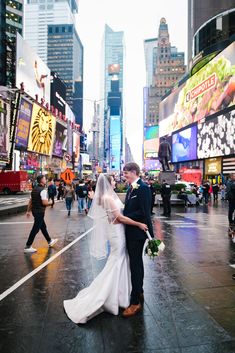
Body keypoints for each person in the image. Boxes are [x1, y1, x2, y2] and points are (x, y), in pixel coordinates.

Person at [63, 173, 148, 324]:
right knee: (116, 262)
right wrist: (138, 224)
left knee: (121, 261)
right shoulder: (108, 198)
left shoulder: (107, 196)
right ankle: (109, 295)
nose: (115, 182)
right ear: (108, 183)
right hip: (117, 234)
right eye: (114, 180)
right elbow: (120, 218)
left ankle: (121, 294)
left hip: (117, 232)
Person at [123, 162, 154, 317]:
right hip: (132, 231)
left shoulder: (143, 188)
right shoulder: (132, 187)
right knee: (136, 264)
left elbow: (144, 212)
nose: (124, 176)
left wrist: (122, 217)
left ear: (134, 172)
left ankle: (135, 303)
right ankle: (139, 291)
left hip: (137, 233)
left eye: (126, 173)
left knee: (135, 266)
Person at [24, 175, 58, 253]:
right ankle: (28, 246)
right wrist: (51, 202)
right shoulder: (43, 190)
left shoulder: (34, 189)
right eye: (44, 179)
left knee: (43, 227)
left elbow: (30, 201)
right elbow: (44, 202)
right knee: (35, 229)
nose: (46, 180)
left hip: (35, 211)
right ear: (41, 181)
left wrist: (28, 211)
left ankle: (49, 241)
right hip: (39, 212)